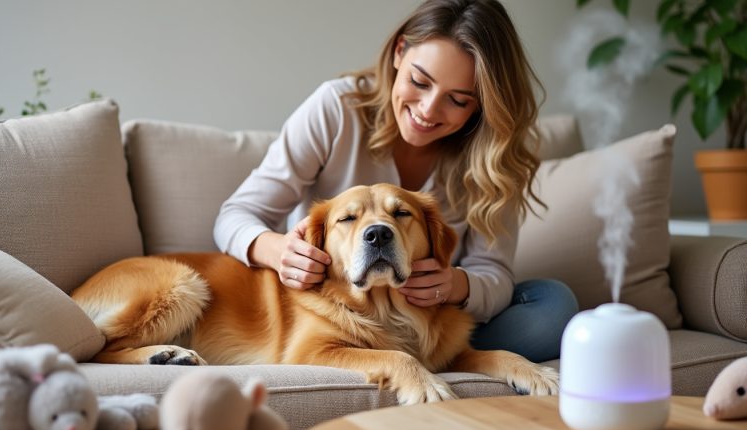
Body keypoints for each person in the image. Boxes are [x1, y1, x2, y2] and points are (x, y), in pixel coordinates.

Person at [214, 0, 578, 363]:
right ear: (399, 52)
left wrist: (455, 283)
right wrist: (279, 252)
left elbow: (493, 271)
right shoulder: (335, 108)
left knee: (553, 305)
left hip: (429, 315)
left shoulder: (492, 158)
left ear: (482, 104)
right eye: (419, 81)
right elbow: (236, 214)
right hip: (341, 317)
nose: (428, 110)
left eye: (457, 100)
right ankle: (414, 359)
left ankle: (431, 353)